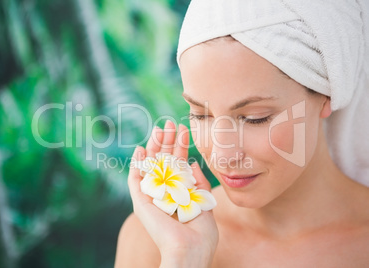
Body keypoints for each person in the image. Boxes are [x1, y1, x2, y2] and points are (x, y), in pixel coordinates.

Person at [115, 0, 369, 267]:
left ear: (326, 94)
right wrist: (183, 258)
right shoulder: (157, 240)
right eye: (201, 115)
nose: (223, 156)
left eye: (254, 119)